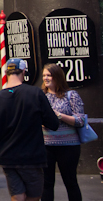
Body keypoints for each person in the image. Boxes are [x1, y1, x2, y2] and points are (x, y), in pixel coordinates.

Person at [0, 58, 60, 201]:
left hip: (8, 157)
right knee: (34, 196)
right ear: (24, 72)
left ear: (5, 72)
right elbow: (53, 123)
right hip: (32, 157)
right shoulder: (35, 94)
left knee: (17, 196)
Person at [41, 64, 85, 201]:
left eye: (49, 75)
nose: (46, 78)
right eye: (44, 75)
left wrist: (58, 115)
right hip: (46, 145)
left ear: (57, 76)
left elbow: (80, 120)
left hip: (69, 146)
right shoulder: (42, 96)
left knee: (70, 181)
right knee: (46, 183)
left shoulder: (71, 95)